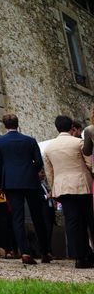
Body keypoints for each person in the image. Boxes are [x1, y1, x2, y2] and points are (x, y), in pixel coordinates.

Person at [0, 114, 51, 264]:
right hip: (30, 181)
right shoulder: (30, 141)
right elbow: (38, 162)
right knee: (37, 216)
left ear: (4, 125)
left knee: (17, 217)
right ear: (18, 124)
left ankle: (25, 252)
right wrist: (30, 171)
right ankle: (45, 252)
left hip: (11, 183)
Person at [43, 115, 94, 268]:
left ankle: (78, 257)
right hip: (81, 184)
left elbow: (49, 172)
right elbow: (89, 163)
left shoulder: (49, 148)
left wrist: (53, 188)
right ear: (71, 126)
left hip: (63, 187)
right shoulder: (78, 142)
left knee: (72, 222)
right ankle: (88, 253)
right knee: (87, 220)